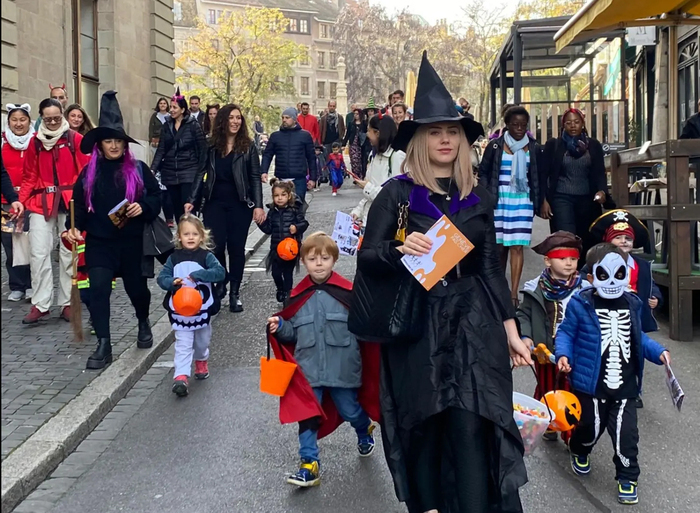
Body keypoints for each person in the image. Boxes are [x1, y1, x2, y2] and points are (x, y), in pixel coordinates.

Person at [354, 52, 530, 513]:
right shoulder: (396, 194)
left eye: (453, 132)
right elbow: (368, 259)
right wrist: (398, 250)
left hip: (474, 320)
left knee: (474, 420)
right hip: (419, 320)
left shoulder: (478, 196)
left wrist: (512, 330)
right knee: (425, 422)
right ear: (420, 139)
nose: (446, 139)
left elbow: (491, 268)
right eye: (436, 132)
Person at [556, 243, 670, 506]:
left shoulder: (632, 303)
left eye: (619, 274)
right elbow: (566, 332)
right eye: (603, 275)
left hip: (626, 386)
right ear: (591, 278)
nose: (611, 281)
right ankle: (579, 449)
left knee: (626, 435)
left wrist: (659, 352)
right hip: (591, 384)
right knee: (588, 428)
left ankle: (627, 477)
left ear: (626, 274)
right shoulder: (580, 304)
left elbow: (638, 337)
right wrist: (564, 355)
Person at [266, 232, 378, 488]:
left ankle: (363, 429)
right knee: (308, 414)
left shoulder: (349, 294)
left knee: (350, 410)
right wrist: (280, 325)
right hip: (309, 370)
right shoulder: (296, 297)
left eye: (325, 258)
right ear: (303, 261)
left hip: (343, 368)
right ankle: (309, 464)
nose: (319, 263)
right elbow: (291, 333)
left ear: (334, 261)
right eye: (313, 258)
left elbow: (365, 328)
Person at [64, 91, 162, 369]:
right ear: (100, 145)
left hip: (131, 243)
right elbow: (77, 209)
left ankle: (143, 321)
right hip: (100, 243)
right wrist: (72, 228)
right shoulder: (88, 174)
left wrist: (142, 206)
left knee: (137, 291)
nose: (114, 145)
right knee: (98, 291)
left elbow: (157, 198)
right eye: (109, 140)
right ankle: (104, 343)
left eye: (118, 140)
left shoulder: (140, 170)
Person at [186, 104, 265, 312]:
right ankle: (220, 284)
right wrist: (191, 199)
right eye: (231, 118)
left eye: (239, 118)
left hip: (240, 204)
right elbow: (200, 172)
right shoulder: (211, 145)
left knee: (236, 248)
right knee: (217, 247)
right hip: (214, 203)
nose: (236, 121)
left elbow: (255, 178)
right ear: (222, 121)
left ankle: (235, 292)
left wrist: (258, 205)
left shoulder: (248, 146)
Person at [19, 98, 89, 324]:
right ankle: (41, 304)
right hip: (41, 201)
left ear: (62, 116)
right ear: (41, 117)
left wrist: (86, 200)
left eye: (56, 118)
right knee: (38, 252)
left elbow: (86, 171)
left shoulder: (75, 139)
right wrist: (20, 201)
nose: (52, 122)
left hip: (70, 201)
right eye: (47, 119)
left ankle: (67, 302)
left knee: (69, 253)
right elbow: (29, 175)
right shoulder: (35, 143)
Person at [516, 231, 589, 443]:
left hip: (574, 351)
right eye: (562, 258)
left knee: (569, 391)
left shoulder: (584, 290)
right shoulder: (535, 288)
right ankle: (543, 423)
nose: (569, 264)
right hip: (544, 350)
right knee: (546, 387)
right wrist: (526, 336)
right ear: (548, 260)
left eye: (573, 259)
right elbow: (524, 314)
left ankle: (571, 437)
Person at [479, 106, 542, 306]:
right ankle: (499, 291)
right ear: (506, 125)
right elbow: (484, 172)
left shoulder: (533, 147)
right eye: (515, 125)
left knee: (517, 247)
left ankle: (514, 294)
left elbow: (539, 176)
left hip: (522, 202)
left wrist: (540, 200)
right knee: (499, 248)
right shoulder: (495, 146)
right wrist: (486, 196)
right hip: (499, 201)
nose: (519, 129)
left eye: (523, 125)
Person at [157, 214, 225, 396]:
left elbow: (220, 273)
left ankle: (201, 359)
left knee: (202, 342)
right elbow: (161, 278)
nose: (190, 237)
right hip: (181, 312)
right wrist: (172, 282)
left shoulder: (207, 257)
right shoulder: (173, 258)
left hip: (201, 310)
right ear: (179, 236)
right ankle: (181, 377)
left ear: (202, 236)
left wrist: (201, 275)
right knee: (183, 344)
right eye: (186, 234)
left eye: (195, 234)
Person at [541, 108, 613, 266]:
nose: (573, 126)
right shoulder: (554, 145)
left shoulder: (593, 145)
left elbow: (599, 172)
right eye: (568, 123)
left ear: (583, 123)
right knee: (566, 238)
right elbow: (543, 174)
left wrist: (602, 191)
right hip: (561, 197)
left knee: (586, 238)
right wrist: (544, 200)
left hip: (587, 199)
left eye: (576, 122)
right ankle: (565, 274)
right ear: (563, 126)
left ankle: (582, 274)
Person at [151, 88, 207, 222]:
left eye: (175, 107)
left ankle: (191, 237)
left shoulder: (193, 125)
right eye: (171, 107)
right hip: (170, 174)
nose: (172, 110)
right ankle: (181, 239)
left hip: (189, 173)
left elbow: (202, 149)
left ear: (182, 110)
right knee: (177, 210)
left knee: (188, 209)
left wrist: (200, 170)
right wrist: (152, 169)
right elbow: (161, 150)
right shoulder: (166, 126)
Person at [257, 179, 308, 304]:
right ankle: (280, 289)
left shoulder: (294, 210)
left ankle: (288, 294)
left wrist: (296, 228)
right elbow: (269, 229)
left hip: (290, 249)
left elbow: (304, 223)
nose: (280, 198)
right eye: (276, 196)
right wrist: (260, 223)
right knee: (275, 273)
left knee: (288, 273)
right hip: (276, 248)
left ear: (289, 195)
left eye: (283, 195)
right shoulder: (272, 212)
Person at [2, 103, 34, 301]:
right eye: (14, 119)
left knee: (30, 243)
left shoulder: (37, 141)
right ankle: (17, 285)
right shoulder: (2, 142)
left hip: (30, 200)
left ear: (29, 121)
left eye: (22, 119)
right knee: (9, 243)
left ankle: (32, 284)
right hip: (6, 201)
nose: (18, 123)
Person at [351, 115, 404, 226]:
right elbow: (369, 195)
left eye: (369, 131)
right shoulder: (374, 155)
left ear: (378, 133)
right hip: (370, 221)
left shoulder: (397, 157)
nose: (367, 134)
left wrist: (367, 187)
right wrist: (358, 211)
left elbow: (395, 197)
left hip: (385, 224)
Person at [260, 107, 316, 205]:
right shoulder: (275, 136)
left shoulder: (305, 136)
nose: (284, 120)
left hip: (299, 178)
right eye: (283, 117)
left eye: (287, 117)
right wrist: (264, 171)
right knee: (281, 207)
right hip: (281, 178)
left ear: (294, 119)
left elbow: (311, 157)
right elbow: (267, 154)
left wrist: (313, 178)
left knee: (298, 207)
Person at [342, 109, 369, 179]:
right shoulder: (351, 124)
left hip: (362, 144)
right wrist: (343, 144)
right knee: (354, 161)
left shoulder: (364, 124)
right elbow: (347, 134)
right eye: (354, 114)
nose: (356, 115)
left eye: (357, 114)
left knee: (362, 160)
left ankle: (362, 175)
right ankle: (356, 176)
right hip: (353, 144)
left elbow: (367, 133)